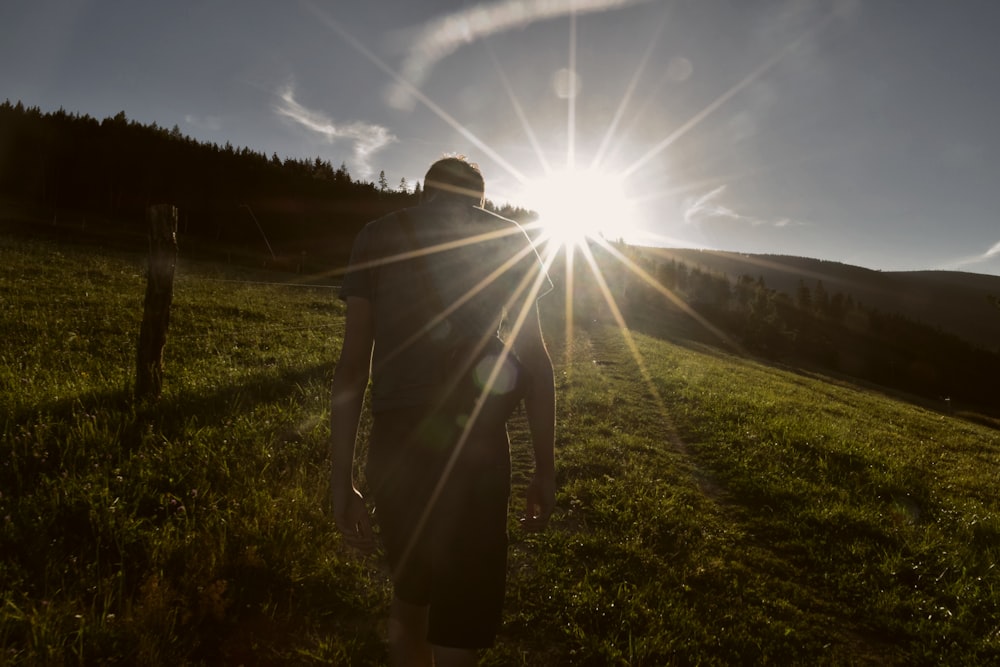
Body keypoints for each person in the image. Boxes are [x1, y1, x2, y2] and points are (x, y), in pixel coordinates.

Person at [328, 155, 556, 665]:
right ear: (480, 196)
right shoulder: (509, 236)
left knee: (410, 594)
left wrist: (341, 480)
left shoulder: (376, 235)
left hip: (396, 447)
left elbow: (351, 370)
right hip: (475, 446)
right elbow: (536, 364)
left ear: (425, 191)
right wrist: (544, 467)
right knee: (461, 612)